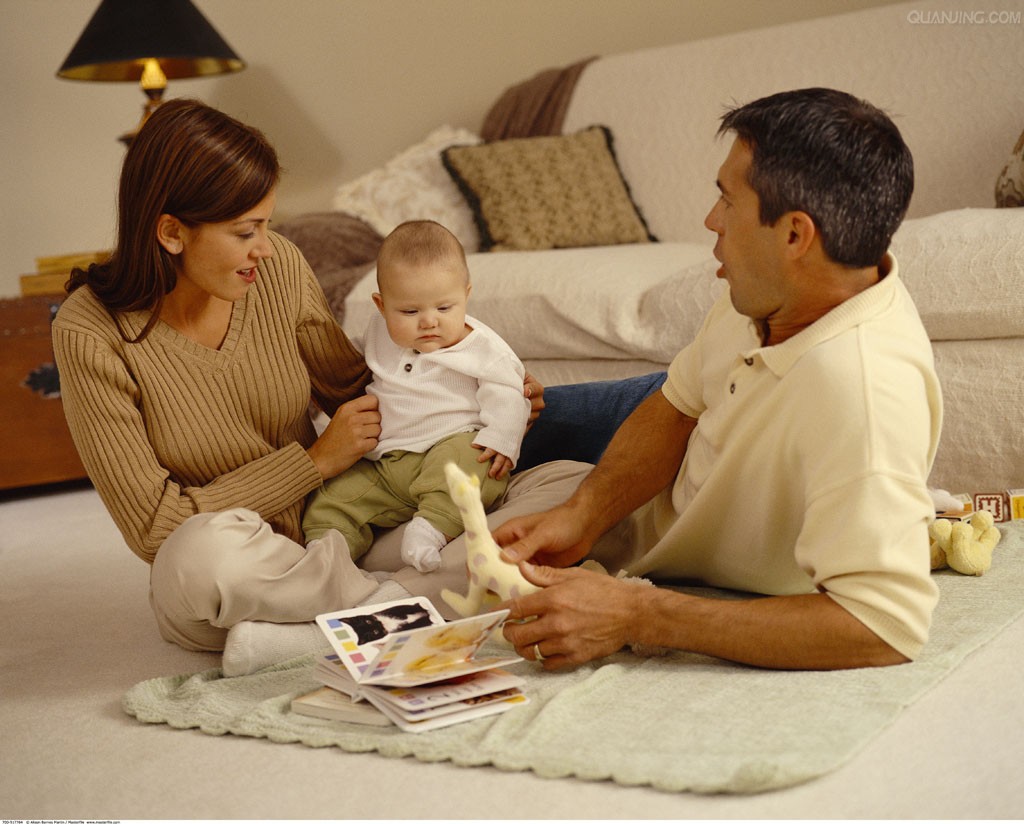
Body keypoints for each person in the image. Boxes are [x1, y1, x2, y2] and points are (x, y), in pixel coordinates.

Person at [50, 98, 571, 677]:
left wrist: (479, 400)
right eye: (246, 232)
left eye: (267, 225)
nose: (265, 249)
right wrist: (313, 463)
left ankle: (315, 636)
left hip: (342, 534)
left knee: (569, 487)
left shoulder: (277, 269)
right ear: (171, 232)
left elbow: (354, 390)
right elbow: (154, 527)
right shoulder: (90, 331)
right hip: (241, 567)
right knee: (201, 557)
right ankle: (408, 607)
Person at [494, 87, 943, 672]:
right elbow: (676, 406)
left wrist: (638, 613)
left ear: (794, 235)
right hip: (697, 424)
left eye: (727, 201)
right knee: (471, 424)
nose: (710, 220)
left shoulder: (861, 394)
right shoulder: (772, 292)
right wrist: (585, 511)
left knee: (465, 464)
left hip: (727, 461)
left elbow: (883, 628)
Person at [302, 219, 531, 573]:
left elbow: (509, 394)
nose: (428, 322)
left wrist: (502, 437)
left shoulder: (481, 348)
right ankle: (326, 554)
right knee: (334, 495)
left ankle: (431, 529)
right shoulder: (378, 332)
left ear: (466, 295)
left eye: (444, 308)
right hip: (384, 462)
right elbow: (351, 363)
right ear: (380, 306)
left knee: (471, 467)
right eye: (409, 311)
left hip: (448, 443)